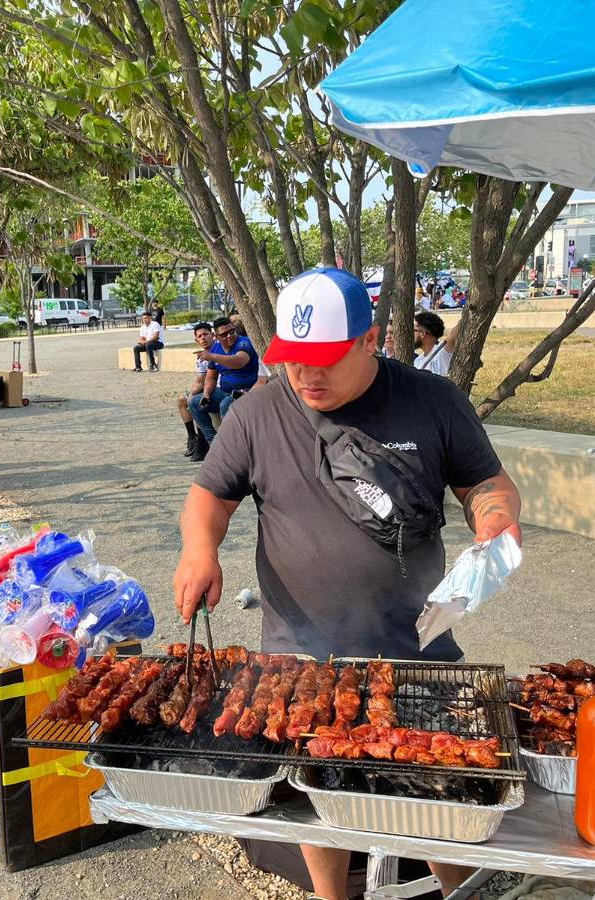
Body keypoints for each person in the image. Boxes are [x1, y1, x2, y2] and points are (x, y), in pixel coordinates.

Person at [173, 266, 522, 900]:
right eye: (294, 360)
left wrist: (494, 522)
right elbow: (209, 496)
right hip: (301, 653)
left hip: (416, 648)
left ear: (370, 340)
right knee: (317, 797)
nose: (307, 376)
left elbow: (486, 483)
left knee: (439, 799)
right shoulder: (257, 413)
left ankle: (461, 895)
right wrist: (200, 551)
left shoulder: (433, 401)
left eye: (325, 359)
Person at [187, 316, 259, 446]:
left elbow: (239, 361)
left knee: (225, 404)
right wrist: (206, 394)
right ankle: (213, 443)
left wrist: (213, 357)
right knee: (194, 402)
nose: (229, 336)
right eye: (224, 334)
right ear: (216, 336)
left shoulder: (244, 343)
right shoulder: (216, 348)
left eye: (232, 331)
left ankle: (232, 446)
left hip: (245, 391)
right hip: (224, 391)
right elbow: (211, 377)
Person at [177, 322, 215, 461]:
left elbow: (202, 381)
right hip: (205, 388)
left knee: (194, 402)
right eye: (200, 336)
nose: (203, 338)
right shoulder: (201, 356)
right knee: (182, 399)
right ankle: (192, 437)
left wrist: (192, 395)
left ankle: (202, 441)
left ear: (213, 335)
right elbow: (199, 381)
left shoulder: (215, 351)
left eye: (206, 334)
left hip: (214, 389)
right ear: (196, 340)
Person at [412, 310, 457, 376]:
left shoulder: (442, 350)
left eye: (414, 330)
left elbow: (456, 331)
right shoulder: (417, 361)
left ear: (422, 334)